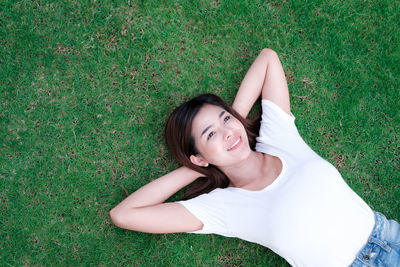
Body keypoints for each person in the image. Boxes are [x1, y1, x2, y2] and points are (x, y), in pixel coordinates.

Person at [110, 49, 400, 266]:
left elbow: (268, 59)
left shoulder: (277, 138)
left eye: (225, 119)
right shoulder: (221, 207)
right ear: (198, 156)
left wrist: (234, 120)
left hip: (389, 235)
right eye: (210, 135)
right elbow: (124, 215)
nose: (226, 132)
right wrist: (194, 168)